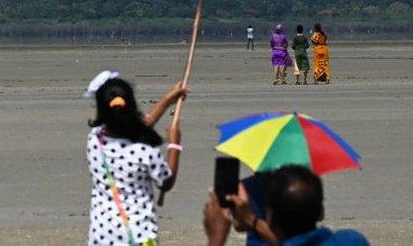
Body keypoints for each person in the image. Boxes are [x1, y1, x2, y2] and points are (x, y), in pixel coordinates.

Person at [85, 71, 187, 245]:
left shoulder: (95, 140)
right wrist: (174, 144)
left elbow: (136, 127)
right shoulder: (144, 150)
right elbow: (165, 181)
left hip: (102, 235)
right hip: (139, 235)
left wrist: (167, 99)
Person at [204, 165, 369, 245]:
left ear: (270, 216)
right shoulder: (351, 240)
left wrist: (216, 239)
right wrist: (253, 221)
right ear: (321, 212)